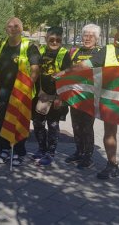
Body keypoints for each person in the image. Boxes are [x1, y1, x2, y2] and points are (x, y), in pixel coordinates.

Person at [75, 17, 119, 190]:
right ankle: (112, 165)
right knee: (109, 132)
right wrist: (67, 72)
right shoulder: (108, 49)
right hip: (111, 99)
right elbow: (88, 64)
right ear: (118, 29)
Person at [0, 17, 40, 166]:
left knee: (20, 120)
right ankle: (4, 150)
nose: (13, 28)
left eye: (16, 26)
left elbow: (35, 70)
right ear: (6, 29)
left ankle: (19, 152)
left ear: (21, 28)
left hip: (22, 92)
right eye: (9, 26)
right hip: (4, 91)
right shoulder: (1, 45)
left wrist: (27, 88)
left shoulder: (29, 46)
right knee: (3, 120)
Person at [32, 26, 71, 166]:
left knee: (53, 125)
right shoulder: (40, 51)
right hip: (40, 96)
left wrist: (60, 98)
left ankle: (50, 153)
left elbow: (68, 77)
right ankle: (41, 149)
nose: (54, 42)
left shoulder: (64, 54)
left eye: (58, 40)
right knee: (38, 123)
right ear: (46, 38)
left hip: (56, 97)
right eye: (52, 39)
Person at [64, 24, 101, 169]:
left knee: (87, 126)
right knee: (76, 125)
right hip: (75, 94)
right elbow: (66, 70)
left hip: (90, 97)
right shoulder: (74, 52)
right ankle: (79, 152)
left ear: (97, 38)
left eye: (91, 36)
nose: (88, 38)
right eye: (86, 35)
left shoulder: (100, 52)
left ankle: (88, 156)